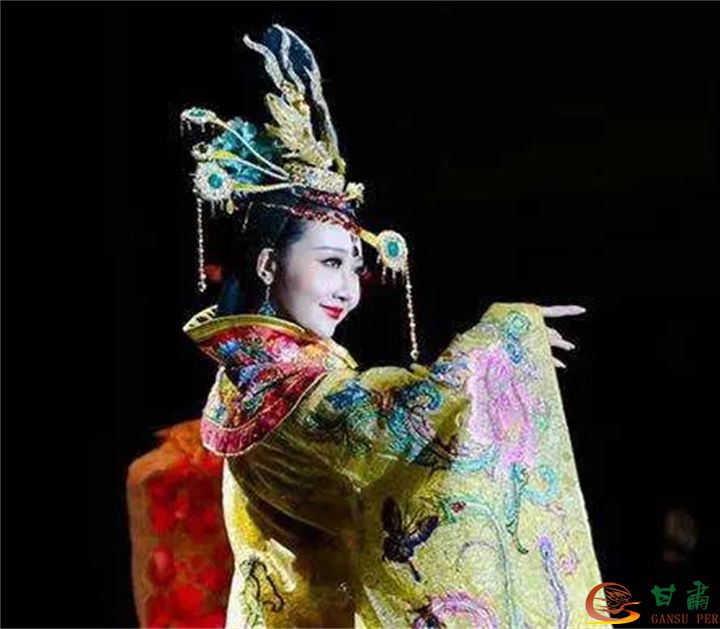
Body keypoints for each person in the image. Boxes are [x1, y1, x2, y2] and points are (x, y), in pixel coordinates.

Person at [181, 24, 604, 628]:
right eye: (330, 263)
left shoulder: (254, 369)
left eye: (355, 268)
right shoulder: (288, 386)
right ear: (269, 264)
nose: (348, 289)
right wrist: (503, 342)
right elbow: (396, 423)